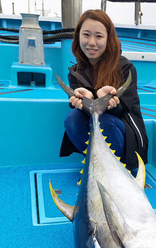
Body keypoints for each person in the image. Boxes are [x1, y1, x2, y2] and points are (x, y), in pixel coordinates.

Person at [60, 9, 148, 170]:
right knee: (73, 119)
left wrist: (107, 100)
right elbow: (78, 106)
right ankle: (95, 164)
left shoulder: (125, 67)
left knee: (105, 120)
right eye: (86, 34)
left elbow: (123, 109)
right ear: (78, 36)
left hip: (124, 131)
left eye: (99, 36)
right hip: (95, 132)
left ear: (109, 39)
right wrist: (81, 99)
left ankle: (116, 169)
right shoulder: (74, 72)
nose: (91, 42)